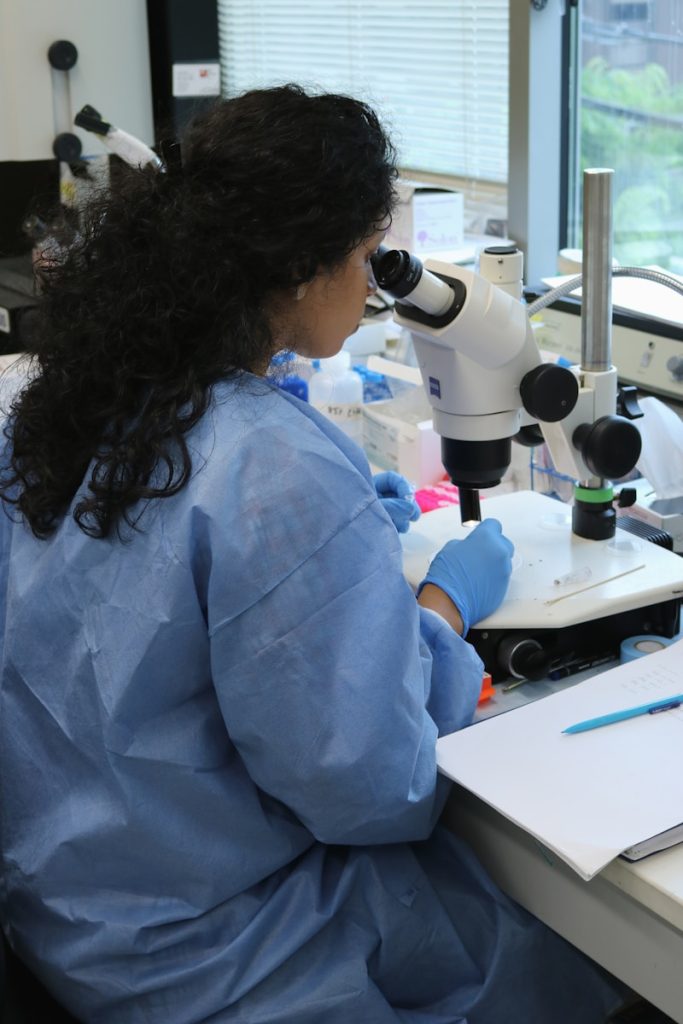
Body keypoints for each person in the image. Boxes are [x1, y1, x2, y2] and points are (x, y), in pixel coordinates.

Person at [0, 85, 625, 1023]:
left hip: (72, 919)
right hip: (226, 953)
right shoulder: (275, 469)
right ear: (298, 271)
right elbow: (376, 790)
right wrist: (440, 611)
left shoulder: (62, 401)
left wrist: (337, 554)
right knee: (601, 959)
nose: (374, 284)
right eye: (365, 257)